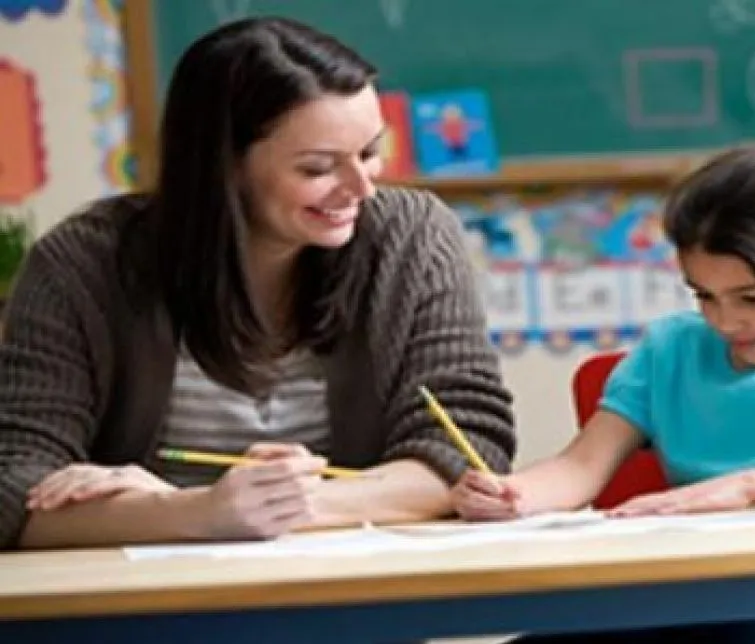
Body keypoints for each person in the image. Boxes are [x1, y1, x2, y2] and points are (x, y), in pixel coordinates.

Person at [0, 17, 516, 550]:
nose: (362, 188)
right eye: (318, 168)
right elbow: (14, 485)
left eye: (368, 152)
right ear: (224, 167)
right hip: (148, 610)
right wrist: (192, 511)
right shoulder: (84, 264)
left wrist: (281, 504)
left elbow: (466, 449)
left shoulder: (414, 239)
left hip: (353, 594)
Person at [453, 142, 755, 643]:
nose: (725, 320)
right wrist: (513, 495)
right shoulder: (672, 350)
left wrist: (754, 486)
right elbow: (581, 467)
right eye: (704, 296)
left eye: (753, 298)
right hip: (713, 608)